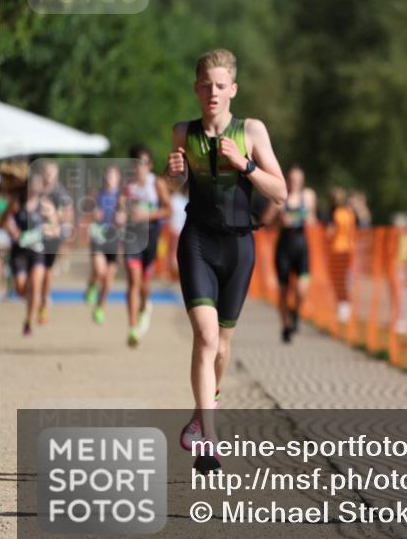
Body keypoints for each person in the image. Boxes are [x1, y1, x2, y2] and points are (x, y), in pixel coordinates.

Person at [167, 48, 286, 473]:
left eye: (221, 86)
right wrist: (175, 173)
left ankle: (202, 415)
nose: (212, 93)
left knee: (223, 345)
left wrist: (247, 165)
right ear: (196, 88)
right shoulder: (183, 131)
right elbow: (179, 185)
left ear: (233, 89)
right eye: (206, 86)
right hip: (197, 240)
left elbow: (280, 192)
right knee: (206, 336)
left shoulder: (250, 130)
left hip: (239, 247)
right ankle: (209, 442)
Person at [119, 145, 172, 348]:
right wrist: (121, 214)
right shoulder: (128, 186)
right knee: (133, 279)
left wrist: (147, 215)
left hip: (151, 235)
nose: (138, 168)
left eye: (142, 163)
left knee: (144, 283)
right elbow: (120, 207)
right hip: (132, 236)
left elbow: (167, 210)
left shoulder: (156, 183)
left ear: (149, 165)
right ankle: (132, 328)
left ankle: (144, 306)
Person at [0, 172, 60, 335]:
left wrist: (48, 230)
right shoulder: (17, 204)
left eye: (37, 186)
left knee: (35, 286)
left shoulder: (46, 205)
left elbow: (56, 229)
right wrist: (13, 232)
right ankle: (37, 303)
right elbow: (3, 222)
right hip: (19, 252)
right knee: (21, 289)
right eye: (31, 186)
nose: (34, 190)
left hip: (38, 251)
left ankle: (29, 321)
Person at [264, 164, 316, 343]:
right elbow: (266, 222)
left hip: (301, 245)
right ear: (287, 180)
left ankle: (295, 314)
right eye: (291, 179)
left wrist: (304, 218)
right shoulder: (279, 197)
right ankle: (285, 326)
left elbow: (312, 217)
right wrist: (277, 219)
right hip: (284, 246)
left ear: (302, 181)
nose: (294, 183)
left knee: (302, 289)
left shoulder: (308, 196)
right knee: (284, 291)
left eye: (297, 180)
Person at [84, 164, 123, 324]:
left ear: (118, 179)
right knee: (99, 271)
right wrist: (93, 214)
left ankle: (99, 307)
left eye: (113, 176)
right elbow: (87, 213)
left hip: (114, 240)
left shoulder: (122, 197)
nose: (110, 179)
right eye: (108, 176)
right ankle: (92, 285)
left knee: (108, 280)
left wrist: (123, 218)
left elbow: (127, 217)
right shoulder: (96, 195)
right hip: (99, 238)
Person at [37, 161, 73, 325]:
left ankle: (44, 302)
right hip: (35, 237)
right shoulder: (36, 191)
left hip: (51, 237)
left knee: (46, 273)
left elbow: (68, 215)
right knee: (36, 272)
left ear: (56, 175)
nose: (48, 176)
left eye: (52, 173)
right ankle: (38, 299)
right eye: (46, 172)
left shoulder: (60, 193)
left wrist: (54, 217)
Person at [326, 185, 356, 323]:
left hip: (337, 250)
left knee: (338, 280)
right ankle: (344, 307)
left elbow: (330, 233)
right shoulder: (349, 213)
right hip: (348, 250)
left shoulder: (336, 214)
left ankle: (343, 307)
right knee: (344, 280)